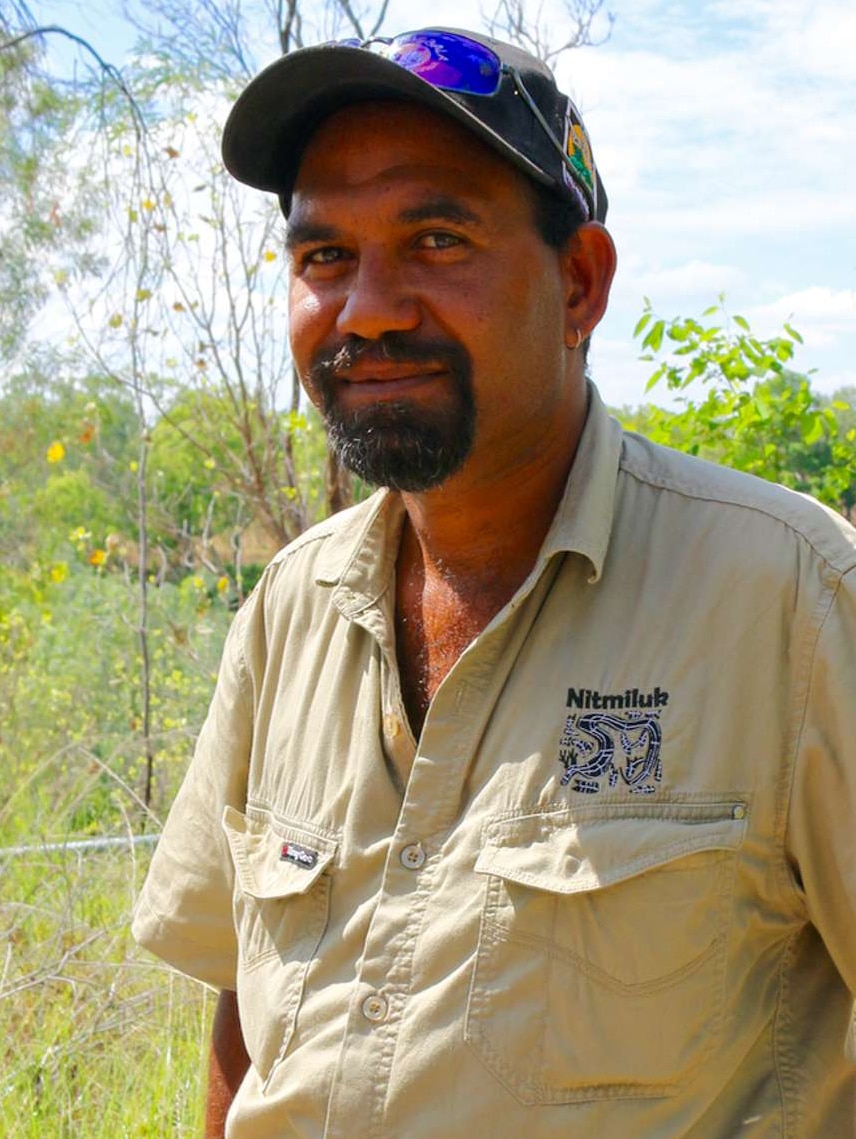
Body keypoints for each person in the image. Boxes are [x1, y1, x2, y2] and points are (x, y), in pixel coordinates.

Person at [132, 27, 856, 1139]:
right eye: (325, 257)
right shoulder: (289, 609)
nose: (366, 307)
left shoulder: (787, 595)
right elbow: (245, 1010)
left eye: (435, 237)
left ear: (579, 283)